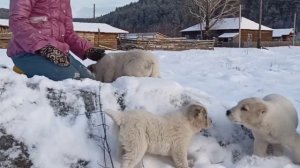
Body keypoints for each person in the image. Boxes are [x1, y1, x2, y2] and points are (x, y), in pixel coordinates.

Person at [7, 0, 105, 81]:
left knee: (90, 80)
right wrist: (43, 48)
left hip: (59, 53)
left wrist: (87, 50)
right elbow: (17, 21)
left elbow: (68, 33)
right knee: (71, 79)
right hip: (27, 51)